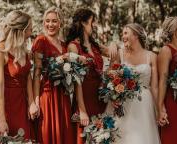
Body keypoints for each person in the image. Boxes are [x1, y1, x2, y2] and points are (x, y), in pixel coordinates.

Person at [66, 7, 117, 144]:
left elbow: (116, 55)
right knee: (84, 137)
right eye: (92, 22)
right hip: (85, 98)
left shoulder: (95, 45)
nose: (94, 25)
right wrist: (82, 110)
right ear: (83, 23)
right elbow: (77, 82)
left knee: (100, 137)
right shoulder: (73, 46)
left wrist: (113, 44)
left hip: (100, 98)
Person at [32, 7, 82, 144]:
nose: (50, 24)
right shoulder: (40, 41)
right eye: (47, 21)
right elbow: (36, 74)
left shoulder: (64, 45)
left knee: (65, 136)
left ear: (60, 23)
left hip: (63, 97)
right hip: (47, 97)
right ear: (43, 23)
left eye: (54, 21)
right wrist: (35, 102)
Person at [105, 23, 160, 144]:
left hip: (144, 104)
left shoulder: (152, 56)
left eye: (125, 33)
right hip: (122, 103)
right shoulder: (120, 53)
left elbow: (155, 87)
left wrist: (160, 109)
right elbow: (110, 76)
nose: (122, 36)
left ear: (135, 35)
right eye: (122, 34)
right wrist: (113, 96)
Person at [0, 10, 38, 139]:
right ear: (21, 30)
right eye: (29, 29)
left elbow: (28, 76)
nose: (31, 33)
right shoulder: (1, 51)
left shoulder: (24, 50)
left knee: (26, 138)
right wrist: (2, 119)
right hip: (7, 104)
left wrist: (31, 102)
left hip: (23, 101)